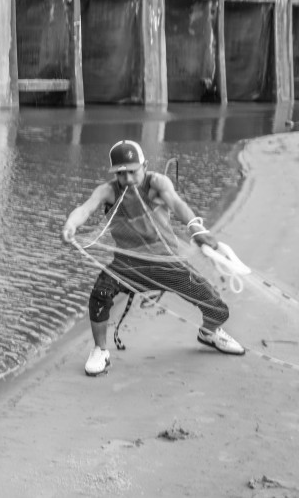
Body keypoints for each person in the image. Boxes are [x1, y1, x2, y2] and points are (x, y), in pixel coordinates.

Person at [61, 140, 245, 376]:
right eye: (121, 173)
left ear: (145, 166)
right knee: (99, 296)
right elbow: (85, 208)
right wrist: (71, 224)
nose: (127, 179)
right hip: (128, 265)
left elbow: (178, 205)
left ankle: (209, 333)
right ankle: (100, 350)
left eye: (133, 172)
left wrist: (197, 230)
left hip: (166, 262)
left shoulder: (157, 183)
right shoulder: (108, 191)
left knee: (218, 309)